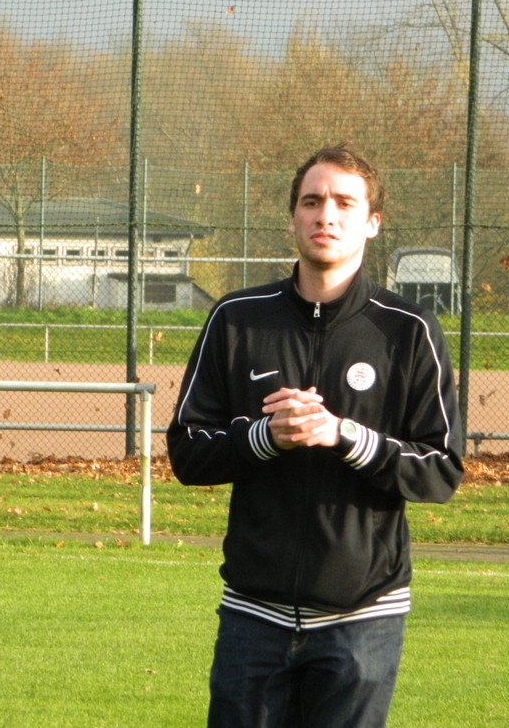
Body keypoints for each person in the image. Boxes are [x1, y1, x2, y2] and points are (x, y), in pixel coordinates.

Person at [166, 144, 463, 728]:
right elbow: (186, 451)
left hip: (362, 618)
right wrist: (265, 437)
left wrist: (343, 435)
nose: (326, 215)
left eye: (344, 203)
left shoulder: (408, 330)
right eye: (311, 201)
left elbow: (441, 469)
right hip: (254, 615)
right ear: (292, 219)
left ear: (372, 223)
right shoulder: (237, 318)